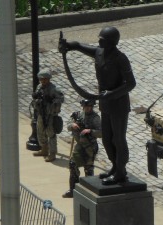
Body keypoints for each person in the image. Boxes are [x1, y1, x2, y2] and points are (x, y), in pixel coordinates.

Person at [59, 26, 136, 185]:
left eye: (102, 40)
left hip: (119, 105)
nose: (99, 41)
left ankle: (121, 171)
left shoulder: (120, 58)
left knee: (118, 139)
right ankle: (115, 166)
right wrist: (69, 46)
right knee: (107, 139)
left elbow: (131, 83)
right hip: (105, 104)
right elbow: (80, 46)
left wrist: (112, 94)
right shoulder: (99, 53)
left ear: (112, 42)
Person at [63, 99, 102, 198]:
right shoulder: (79, 115)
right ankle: (73, 190)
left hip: (90, 147)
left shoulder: (96, 118)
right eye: (86, 106)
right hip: (80, 145)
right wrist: (72, 125)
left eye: (90, 107)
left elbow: (101, 132)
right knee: (73, 165)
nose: (88, 108)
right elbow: (68, 125)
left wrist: (90, 131)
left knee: (88, 169)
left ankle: (89, 193)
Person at [32, 69, 64, 162]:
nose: (43, 81)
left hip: (51, 114)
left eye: (45, 79)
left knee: (51, 133)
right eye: (41, 79)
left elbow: (61, 98)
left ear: (49, 79)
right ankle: (44, 149)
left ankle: (52, 153)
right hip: (42, 113)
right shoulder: (39, 87)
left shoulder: (54, 89)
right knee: (40, 130)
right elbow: (36, 98)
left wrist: (52, 101)